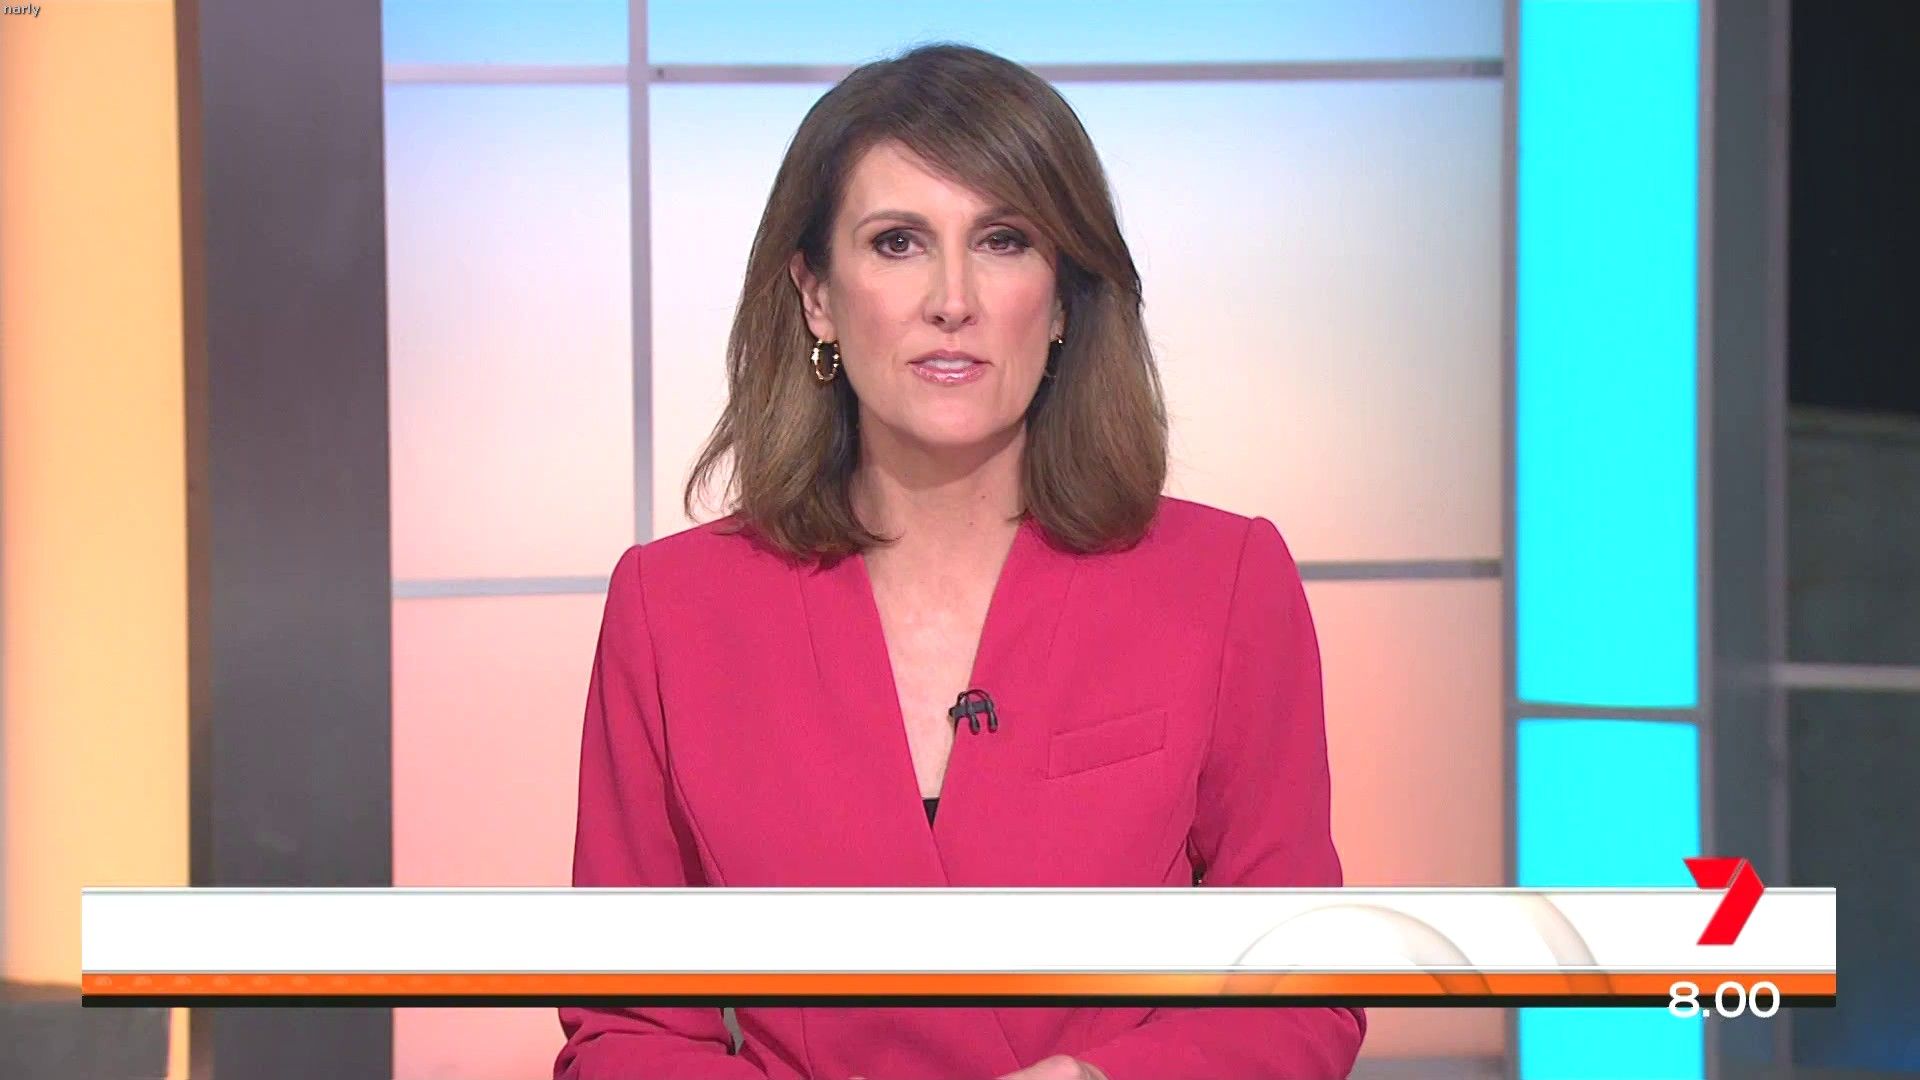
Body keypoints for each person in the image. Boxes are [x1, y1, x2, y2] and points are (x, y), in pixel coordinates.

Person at [555, 43, 1364, 1080]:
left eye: (1003, 240)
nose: (952, 298)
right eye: (897, 243)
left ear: (1062, 299)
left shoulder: (1221, 582)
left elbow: (1301, 995)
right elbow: (625, 1033)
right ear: (816, 294)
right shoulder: (671, 612)